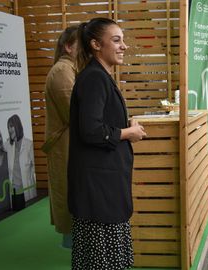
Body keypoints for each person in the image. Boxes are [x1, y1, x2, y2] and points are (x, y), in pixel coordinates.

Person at [67, 18, 146, 269]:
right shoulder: (94, 78)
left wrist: (125, 127)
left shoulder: (99, 75)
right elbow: (90, 130)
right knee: (102, 261)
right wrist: (127, 132)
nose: (123, 46)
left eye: (123, 40)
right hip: (98, 190)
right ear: (95, 44)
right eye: (116, 40)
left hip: (103, 185)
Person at [43, 25, 78, 248]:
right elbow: (74, 111)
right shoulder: (62, 71)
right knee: (68, 191)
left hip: (71, 142)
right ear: (68, 46)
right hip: (65, 143)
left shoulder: (70, 69)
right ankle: (74, 244)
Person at [5, 114, 37, 211]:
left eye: (11, 126)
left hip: (26, 193)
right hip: (13, 195)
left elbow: (36, 169)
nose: (10, 130)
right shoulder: (8, 146)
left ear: (17, 126)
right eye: (8, 127)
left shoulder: (29, 145)